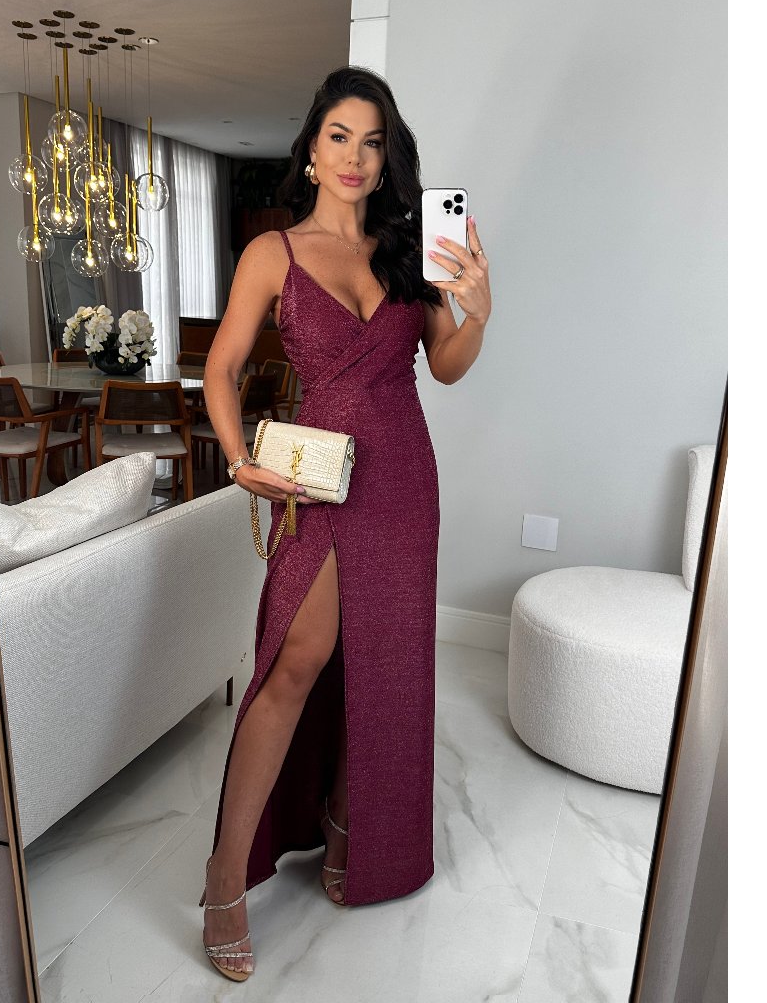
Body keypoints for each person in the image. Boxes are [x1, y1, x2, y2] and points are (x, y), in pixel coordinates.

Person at [198, 64, 492, 981]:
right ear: (312, 150)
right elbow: (221, 370)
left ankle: (347, 821)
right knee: (295, 661)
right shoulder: (273, 254)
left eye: (373, 141)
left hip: (403, 479)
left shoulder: (408, 251)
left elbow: (446, 364)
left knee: (385, 662)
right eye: (339, 137)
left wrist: (478, 308)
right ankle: (224, 877)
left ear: (386, 154)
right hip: (316, 482)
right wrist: (238, 457)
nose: (355, 157)